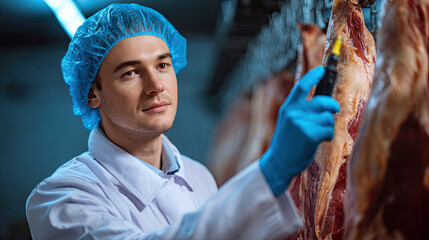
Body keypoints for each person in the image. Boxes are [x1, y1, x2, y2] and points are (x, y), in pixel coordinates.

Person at [26, 3, 339, 240]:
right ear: (94, 93)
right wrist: (272, 171)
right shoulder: (60, 197)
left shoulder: (199, 176)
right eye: (131, 72)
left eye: (163, 65)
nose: (156, 85)